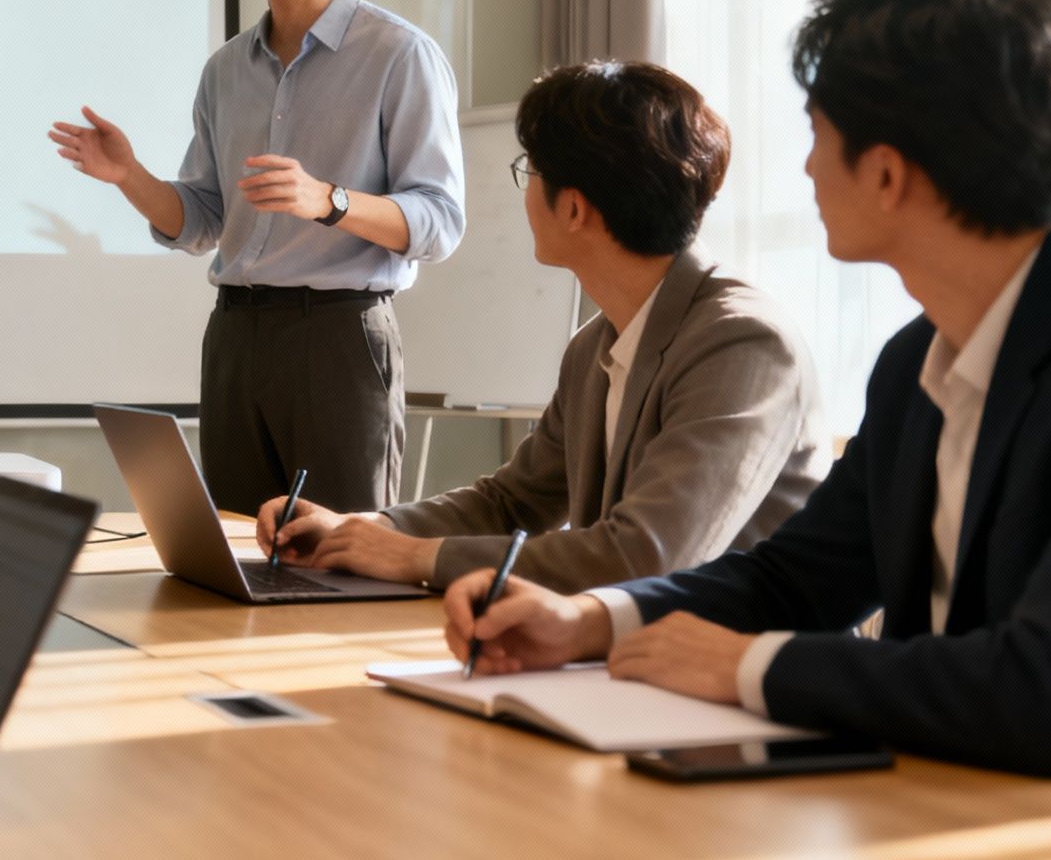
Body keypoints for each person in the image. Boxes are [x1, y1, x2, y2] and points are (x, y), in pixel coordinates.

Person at [447, 0, 1051, 776]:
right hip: (925, 793)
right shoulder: (917, 361)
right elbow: (797, 579)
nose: (805, 168)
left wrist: (746, 668)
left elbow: (1035, 684)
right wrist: (588, 620)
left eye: (817, 133)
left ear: (884, 171)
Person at [255, 62, 830, 591]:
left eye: (531, 170)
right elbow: (509, 502)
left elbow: (647, 556)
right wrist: (360, 528)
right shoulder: (595, 346)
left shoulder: (744, 343)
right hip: (630, 659)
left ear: (574, 209)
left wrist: (415, 557)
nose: (525, 189)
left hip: (745, 680)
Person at [51, 0, 464, 514]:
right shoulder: (224, 70)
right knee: (238, 550)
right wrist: (130, 177)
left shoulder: (400, 55)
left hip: (338, 335)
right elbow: (204, 221)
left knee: (340, 557)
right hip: (237, 334)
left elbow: (440, 222)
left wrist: (326, 200)